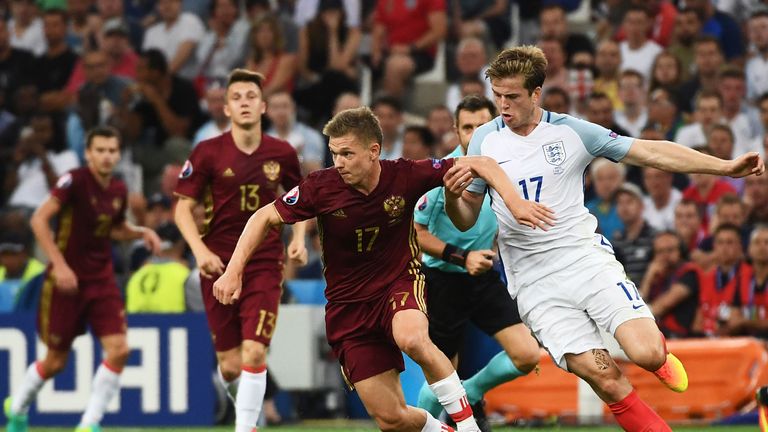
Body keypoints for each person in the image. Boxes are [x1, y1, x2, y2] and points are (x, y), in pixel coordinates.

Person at [443, 45, 765, 432]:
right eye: (497, 96)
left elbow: (649, 152)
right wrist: (451, 196)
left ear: (536, 93)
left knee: (645, 353)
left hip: (585, 261)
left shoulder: (570, 131)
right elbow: (465, 221)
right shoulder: (484, 141)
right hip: (534, 284)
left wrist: (724, 167)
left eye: (512, 96)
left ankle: (657, 358)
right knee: (607, 378)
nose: (503, 105)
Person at [213, 106, 552, 432]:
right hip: (349, 308)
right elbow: (264, 216)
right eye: (334, 153)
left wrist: (515, 202)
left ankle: (466, 425)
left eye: (348, 154)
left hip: (397, 283)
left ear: (374, 151)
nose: (339, 163)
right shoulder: (321, 186)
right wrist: (233, 270)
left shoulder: (405, 174)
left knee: (412, 337)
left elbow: (482, 163)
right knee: (393, 420)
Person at [173, 68, 306, 432]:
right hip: (215, 262)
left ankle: (244, 427)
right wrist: (199, 252)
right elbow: (182, 208)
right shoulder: (207, 152)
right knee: (231, 365)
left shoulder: (282, 152)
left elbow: (304, 201)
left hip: (263, 261)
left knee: (255, 351)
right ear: (227, 108)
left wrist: (298, 239)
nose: (244, 103)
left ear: (263, 106)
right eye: (237, 97)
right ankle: (249, 411)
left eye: (251, 97)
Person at [4, 126, 162, 432]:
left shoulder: (117, 190)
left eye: (111, 151)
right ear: (88, 153)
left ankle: (89, 424)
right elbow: (39, 219)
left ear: (118, 154)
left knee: (120, 349)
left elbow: (113, 229)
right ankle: (18, 408)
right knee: (55, 363)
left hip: (100, 280)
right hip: (65, 283)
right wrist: (59, 265)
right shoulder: (74, 181)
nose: (106, 156)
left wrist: (141, 231)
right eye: (100, 150)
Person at [413, 95, 540, 430]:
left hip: (483, 277)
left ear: (495, 125)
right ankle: (413, 425)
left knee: (527, 354)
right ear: (455, 130)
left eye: (481, 125)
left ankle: (471, 391)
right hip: (442, 281)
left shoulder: (505, 169)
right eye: (466, 127)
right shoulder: (443, 173)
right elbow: (416, 233)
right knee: (440, 378)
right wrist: (461, 256)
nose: (474, 134)